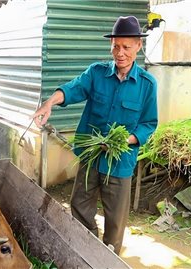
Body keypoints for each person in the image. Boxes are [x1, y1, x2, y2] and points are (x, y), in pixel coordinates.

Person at [31, 16, 158, 255]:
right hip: (91, 159)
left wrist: (125, 141)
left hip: (120, 164)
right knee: (79, 207)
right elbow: (72, 88)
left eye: (126, 47)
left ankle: (107, 258)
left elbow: (148, 124)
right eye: (115, 46)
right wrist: (49, 103)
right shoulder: (97, 73)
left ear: (138, 46)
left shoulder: (147, 84)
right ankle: (85, 250)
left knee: (115, 220)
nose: (120, 53)